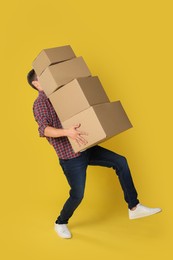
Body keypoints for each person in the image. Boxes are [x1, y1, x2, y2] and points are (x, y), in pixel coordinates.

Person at [27, 69, 162, 239]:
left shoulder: (60, 95)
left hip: (86, 147)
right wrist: (68, 132)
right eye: (42, 78)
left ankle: (134, 207)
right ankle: (60, 222)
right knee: (77, 195)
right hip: (71, 156)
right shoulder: (40, 103)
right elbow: (44, 129)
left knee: (121, 162)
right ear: (36, 84)